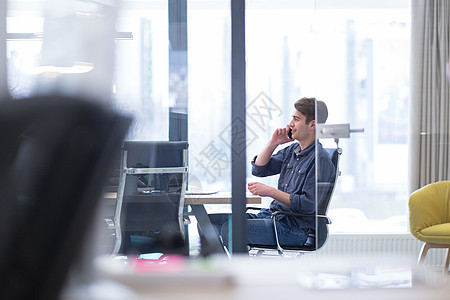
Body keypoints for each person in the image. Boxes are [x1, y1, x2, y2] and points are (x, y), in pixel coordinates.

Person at [207, 97, 336, 249]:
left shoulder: (319, 159)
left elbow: (307, 205)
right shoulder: (291, 151)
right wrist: (273, 143)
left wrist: (270, 192)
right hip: (273, 218)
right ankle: (218, 268)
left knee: (231, 230)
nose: (291, 124)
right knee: (209, 223)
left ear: (312, 124)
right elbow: (259, 170)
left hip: (294, 228)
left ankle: (238, 271)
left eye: (296, 119)